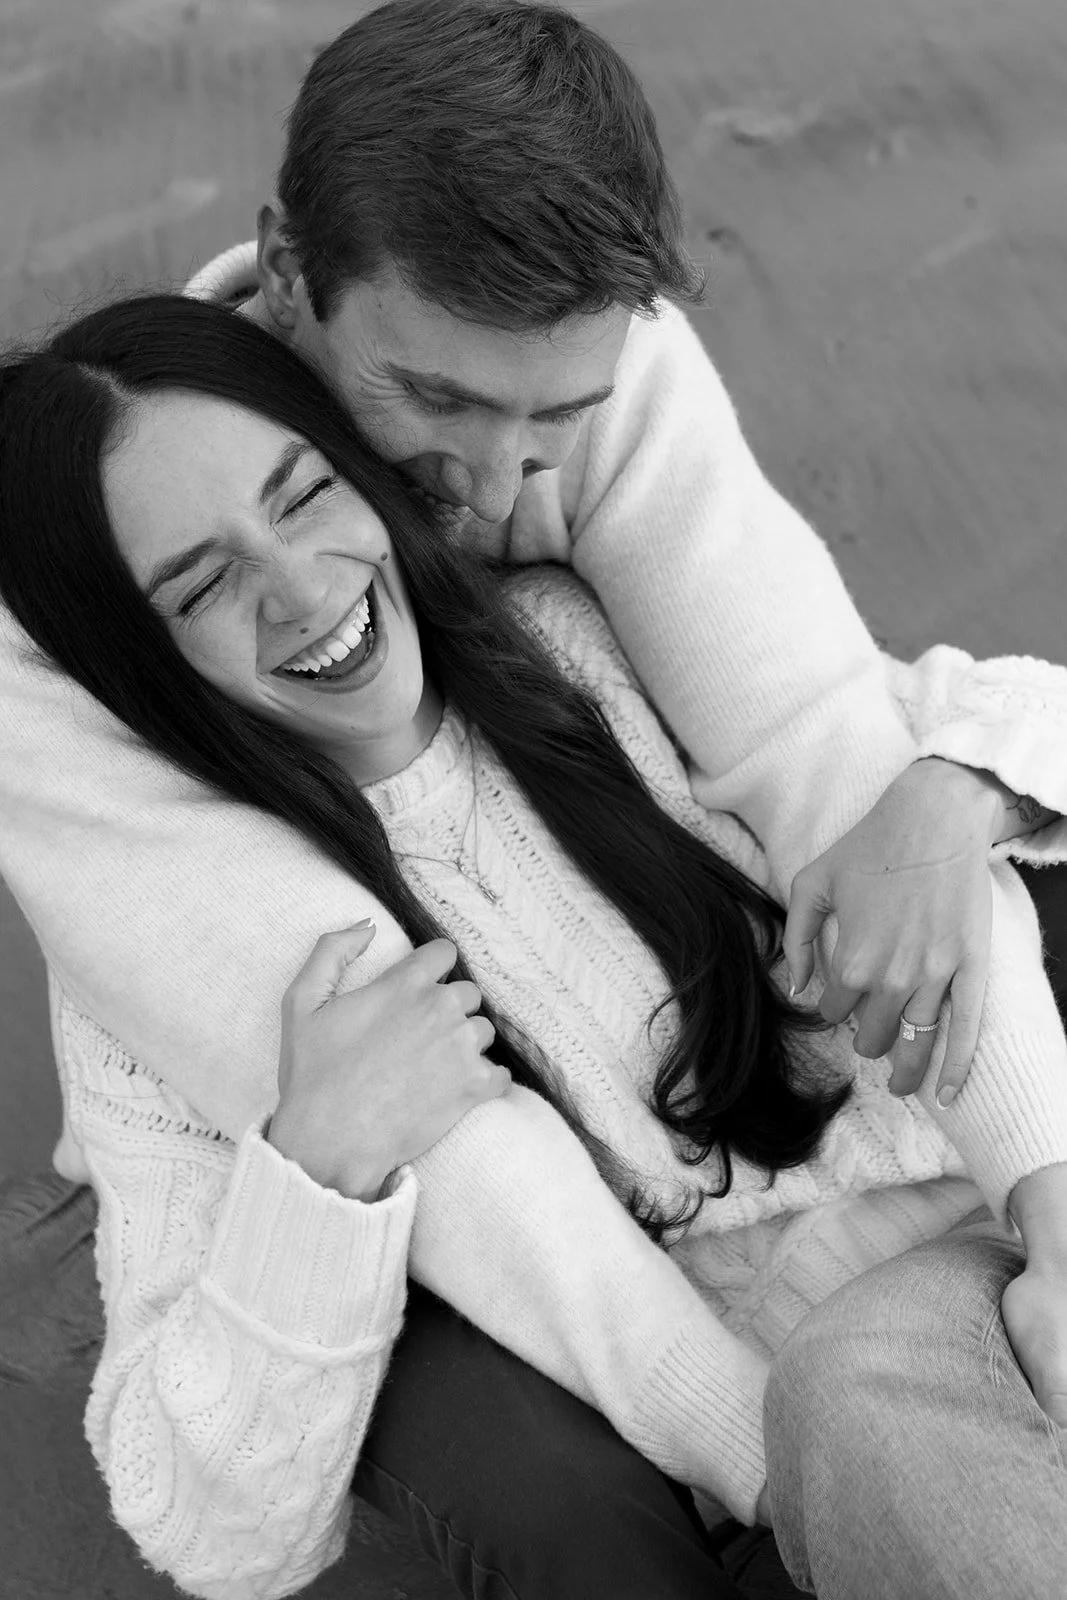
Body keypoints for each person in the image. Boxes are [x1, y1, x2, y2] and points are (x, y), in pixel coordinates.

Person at [1, 4, 1067, 1596]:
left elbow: (817, 730)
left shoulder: (582, 421)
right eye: (432, 407)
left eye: (555, 425)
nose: (504, 494)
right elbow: (435, 1137)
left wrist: (946, 788)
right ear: (290, 279)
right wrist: (315, 1169)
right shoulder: (69, 743)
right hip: (764, 1367)